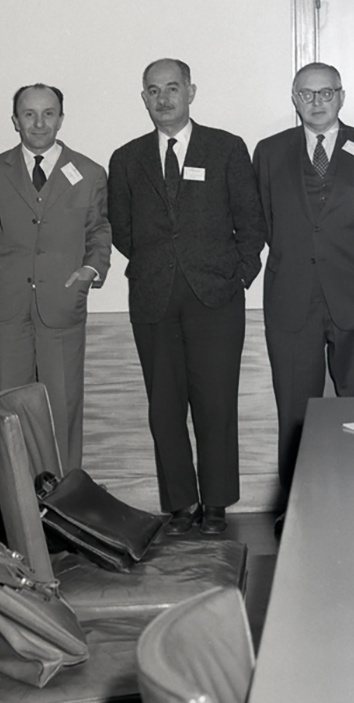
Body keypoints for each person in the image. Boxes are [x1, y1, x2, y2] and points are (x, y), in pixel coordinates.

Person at [108, 58, 264, 535]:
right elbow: (122, 230)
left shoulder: (226, 148)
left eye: (172, 88)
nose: (163, 99)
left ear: (191, 92)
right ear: (144, 98)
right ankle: (180, 505)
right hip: (154, 298)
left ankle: (216, 504)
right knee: (165, 408)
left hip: (216, 296)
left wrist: (237, 274)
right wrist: (161, 265)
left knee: (216, 404)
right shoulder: (127, 158)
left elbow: (251, 222)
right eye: (153, 91)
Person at [253, 63, 354, 489]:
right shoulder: (269, 151)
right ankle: (299, 505)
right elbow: (264, 219)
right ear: (294, 98)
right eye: (306, 94)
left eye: (326, 93)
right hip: (292, 298)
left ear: (342, 96)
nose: (316, 103)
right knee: (296, 415)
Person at [0, 84, 111, 470]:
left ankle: (65, 504)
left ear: (61, 119)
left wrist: (89, 270)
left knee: (62, 406)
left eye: (48, 113)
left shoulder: (89, 172)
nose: (39, 123)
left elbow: (99, 229)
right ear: (15, 120)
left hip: (63, 302)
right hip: (8, 304)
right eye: (29, 114)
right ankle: (19, 508)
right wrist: (18, 264)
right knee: (9, 407)